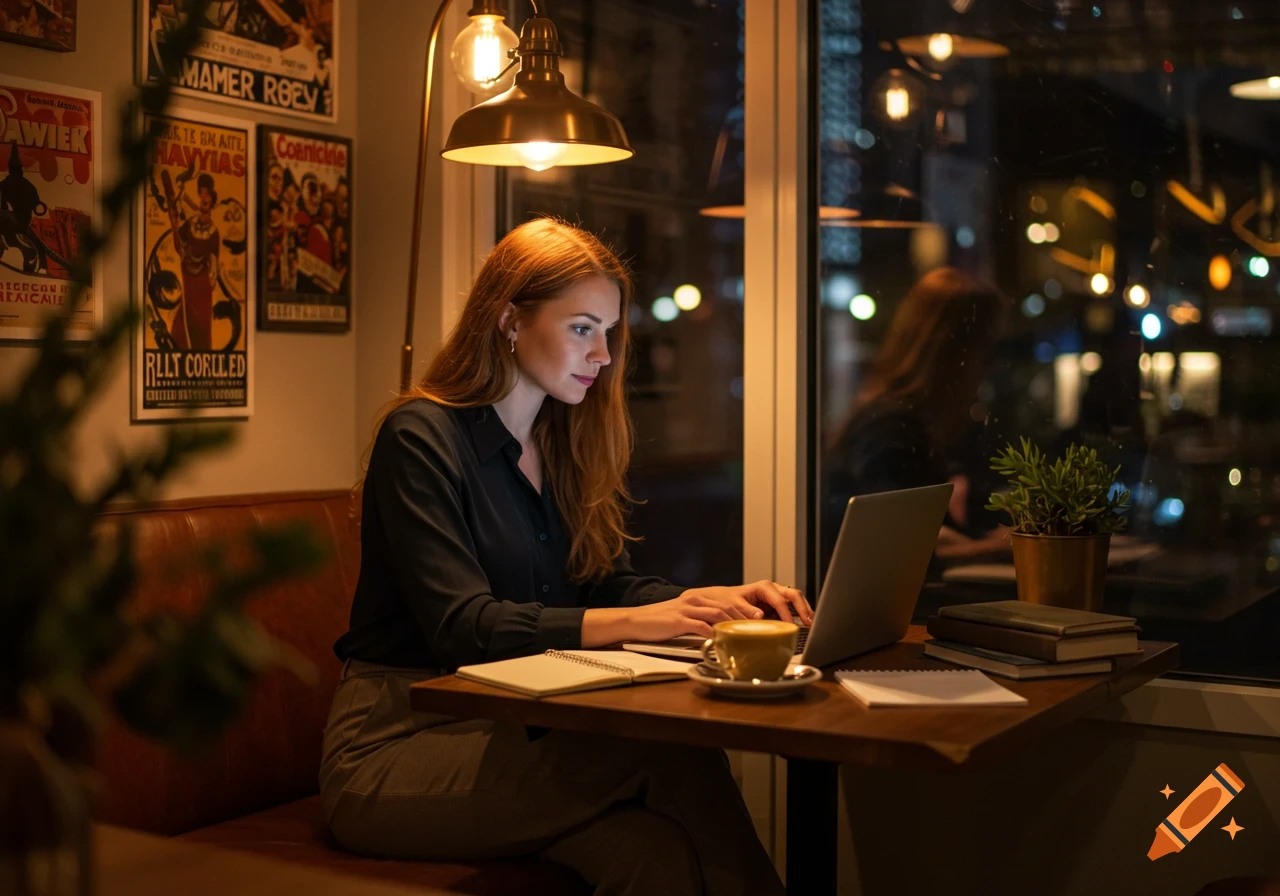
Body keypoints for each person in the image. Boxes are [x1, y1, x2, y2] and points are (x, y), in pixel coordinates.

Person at [321, 218, 809, 896]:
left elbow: (598, 584)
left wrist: (704, 607)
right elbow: (465, 627)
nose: (603, 355)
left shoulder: (557, 442)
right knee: (666, 752)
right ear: (509, 320)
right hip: (392, 748)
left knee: (652, 853)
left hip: (507, 733)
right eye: (583, 328)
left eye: (608, 331)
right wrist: (647, 622)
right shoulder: (421, 437)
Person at [822, 266, 1011, 567]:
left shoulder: (902, 423)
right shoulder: (891, 429)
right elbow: (905, 545)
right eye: (985, 349)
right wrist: (1008, 549)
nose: (989, 366)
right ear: (953, 352)